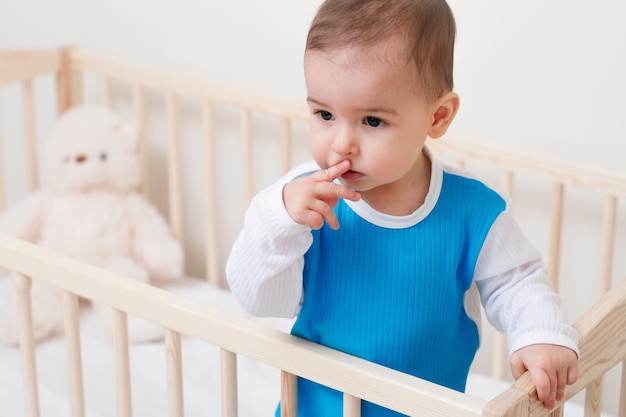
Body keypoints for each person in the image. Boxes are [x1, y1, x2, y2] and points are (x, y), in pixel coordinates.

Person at [226, 0, 579, 415]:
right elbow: (258, 299)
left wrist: (539, 333)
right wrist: (279, 220)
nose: (341, 144)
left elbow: (515, 282)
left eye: (372, 121)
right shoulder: (305, 201)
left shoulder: (473, 212)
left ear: (438, 116)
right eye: (323, 113)